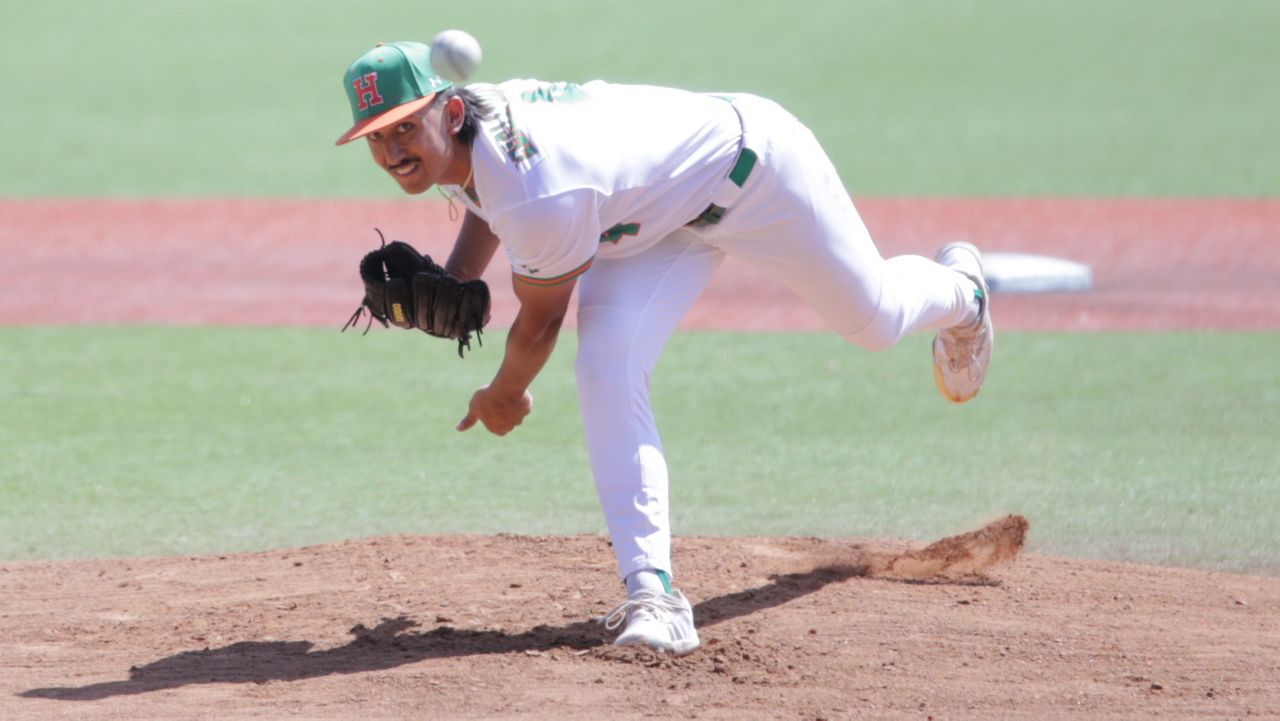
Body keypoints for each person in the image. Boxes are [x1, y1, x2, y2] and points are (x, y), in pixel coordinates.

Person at [335, 41, 993, 656]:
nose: (393, 150)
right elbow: (486, 201)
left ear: (447, 111)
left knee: (873, 319)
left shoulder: (540, 189)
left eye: (403, 127)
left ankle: (963, 293)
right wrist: (458, 281)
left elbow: (539, 322)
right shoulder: (463, 132)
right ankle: (654, 594)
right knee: (605, 365)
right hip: (649, 223)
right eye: (376, 136)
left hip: (759, 173)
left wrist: (504, 394)